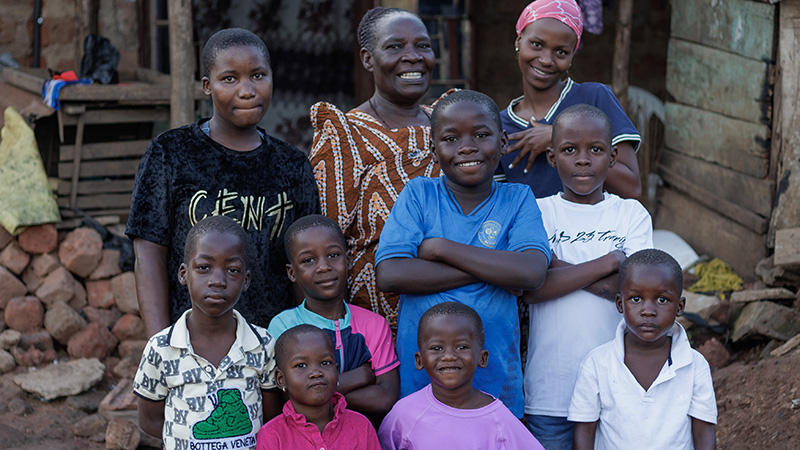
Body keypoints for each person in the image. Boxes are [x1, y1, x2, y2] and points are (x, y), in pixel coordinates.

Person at [127, 28, 320, 337]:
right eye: (229, 79)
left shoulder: (292, 165)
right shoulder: (171, 153)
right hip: (192, 342)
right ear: (207, 86)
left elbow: (304, 263)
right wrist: (162, 346)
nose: (247, 90)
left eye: (258, 75)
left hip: (271, 342)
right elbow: (149, 253)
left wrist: (304, 342)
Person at [375, 89, 551, 418]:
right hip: (422, 388)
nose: (467, 147)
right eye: (451, 138)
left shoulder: (517, 199)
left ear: (503, 142)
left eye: (481, 135)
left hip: (496, 384)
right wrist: (496, 271)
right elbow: (391, 274)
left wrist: (440, 249)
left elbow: (530, 272)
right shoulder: (419, 195)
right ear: (433, 149)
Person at [520, 104, 653, 449]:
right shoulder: (537, 212)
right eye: (569, 150)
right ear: (552, 158)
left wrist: (555, 270)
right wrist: (610, 262)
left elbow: (637, 294)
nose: (583, 160)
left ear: (612, 158)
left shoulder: (631, 215)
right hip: (550, 393)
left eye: (595, 150)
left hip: (616, 391)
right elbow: (530, 288)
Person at [309, 7, 441, 328]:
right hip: (375, 329)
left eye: (423, 45)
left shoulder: (451, 125)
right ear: (368, 59)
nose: (413, 56)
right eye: (395, 46)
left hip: (460, 314)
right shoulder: (344, 135)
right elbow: (326, 242)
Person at [133, 215, 282, 450]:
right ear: (184, 274)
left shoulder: (263, 344)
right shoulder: (161, 347)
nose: (218, 280)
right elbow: (150, 420)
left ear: (246, 280)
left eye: (232, 270)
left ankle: (232, 417)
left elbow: (271, 417)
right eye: (203, 268)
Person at [569, 249, 717, 450]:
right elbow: (584, 432)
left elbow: (703, 433)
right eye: (636, 299)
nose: (648, 311)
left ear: (680, 306)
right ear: (620, 304)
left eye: (662, 300)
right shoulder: (597, 364)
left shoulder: (695, 365)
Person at [495, 0, 642, 200]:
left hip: (593, 222)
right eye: (537, 44)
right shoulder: (500, 126)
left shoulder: (594, 98)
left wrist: (558, 138)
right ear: (518, 41)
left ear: (572, 56)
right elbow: (498, 204)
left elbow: (632, 188)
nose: (546, 60)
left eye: (561, 52)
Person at [267, 214, 400, 418]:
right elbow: (289, 396)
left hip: (362, 434)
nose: (323, 266)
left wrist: (320, 392)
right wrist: (358, 377)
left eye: (333, 255)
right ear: (292, 272)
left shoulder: (373, 324)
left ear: (348, 260)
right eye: (308, 260)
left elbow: (385, 398)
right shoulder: (284, 326)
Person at [378, 302, 545, 449]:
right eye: (436, 348)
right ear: (419, 360)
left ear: (482, 358)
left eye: (462, 347)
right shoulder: (404, 414)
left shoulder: (500, 420)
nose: (449, 356)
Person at [256, 324, 381, 450]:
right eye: (301, 365)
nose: (316, 373)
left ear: (336, 371)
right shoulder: (272, 435)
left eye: (325, 363)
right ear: (281, 379)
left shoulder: (361, 427)